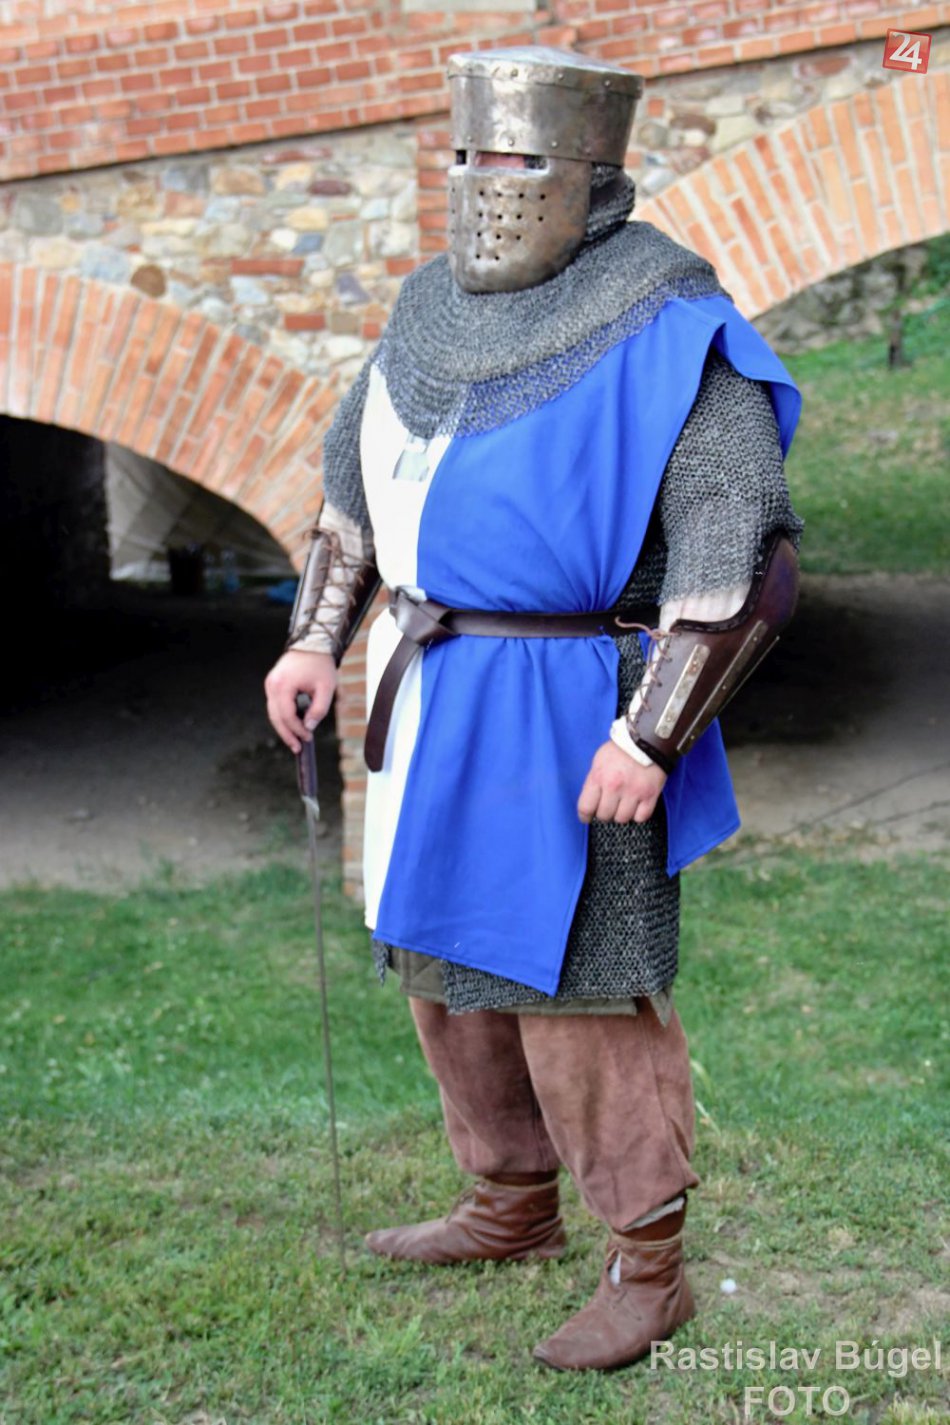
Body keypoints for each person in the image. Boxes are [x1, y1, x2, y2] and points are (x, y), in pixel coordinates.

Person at [264, 45, 803, 1372]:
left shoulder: (668, 322)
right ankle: (507, 1201)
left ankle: (649, 1266)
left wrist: (649, 736)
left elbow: (743, 565)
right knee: (444, 968)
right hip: (433, 685)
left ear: (587, 169)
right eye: (464, 158)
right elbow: (351, 504)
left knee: (580, 991)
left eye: (508, 161)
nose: (480, 185)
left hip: (575, 708)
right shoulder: (424, 312)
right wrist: (315, 643)